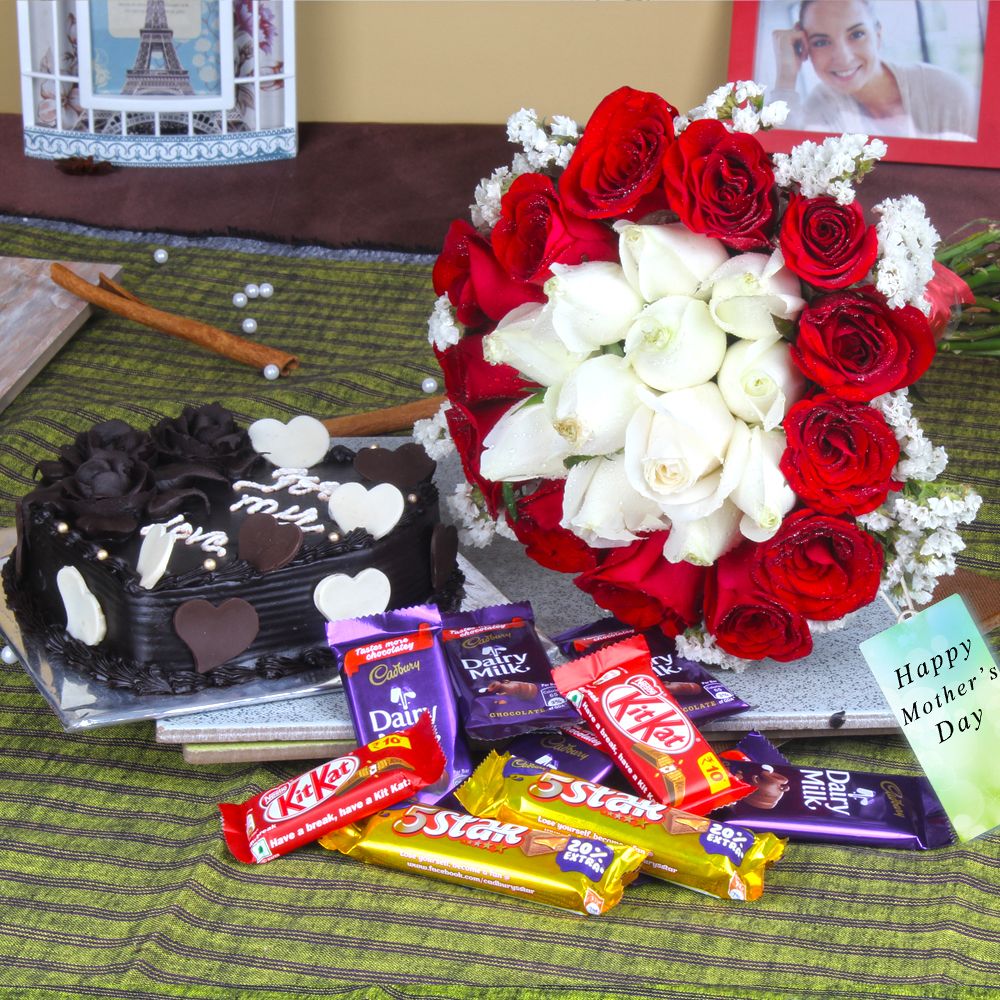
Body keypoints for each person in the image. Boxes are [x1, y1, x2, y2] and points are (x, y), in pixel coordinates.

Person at [771, 0, 978, 139]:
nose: (843, 57)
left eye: (857, 34)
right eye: (821, 42)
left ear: (878, 34)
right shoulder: (821, 106)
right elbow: (780, 163)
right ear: (804, 47)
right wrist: (786, 75)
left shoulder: (948, 92)